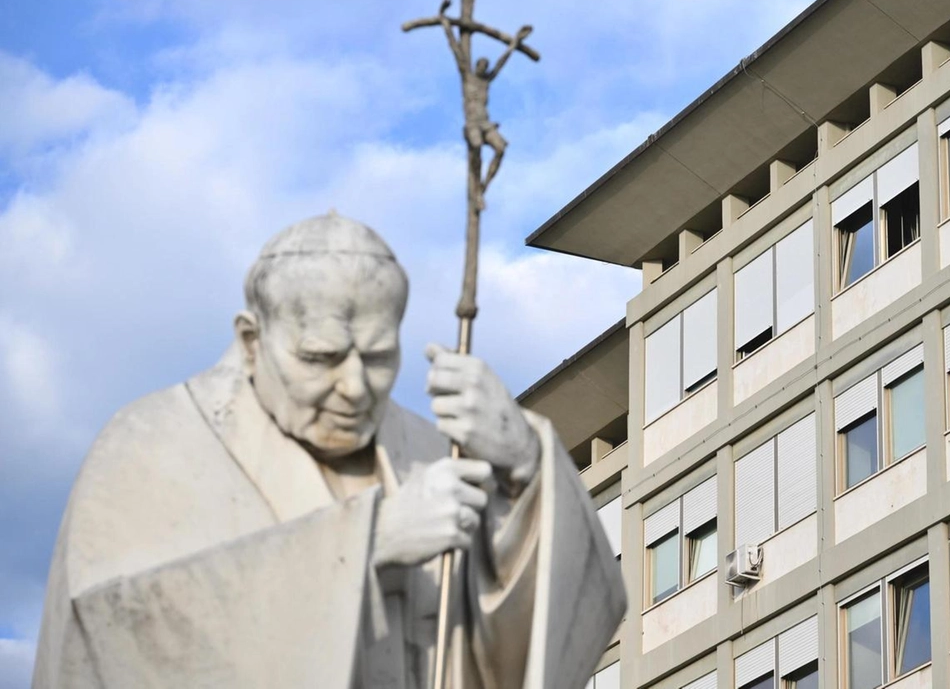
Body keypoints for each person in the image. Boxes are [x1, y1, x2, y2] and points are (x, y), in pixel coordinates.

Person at [32, 212, 625, 688]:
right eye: (320, 357)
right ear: (250, 340)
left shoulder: (427, 453)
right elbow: (111, 636)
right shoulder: (151, 442)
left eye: (377, 357)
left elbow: (542, 645)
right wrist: (371, 543)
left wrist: (526, 469)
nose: (355, 387)